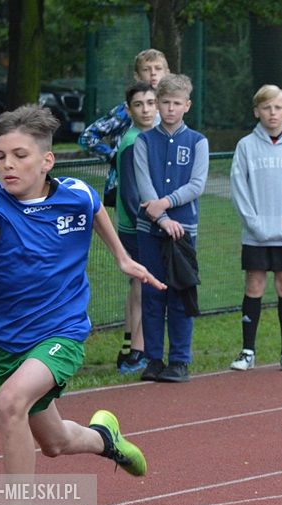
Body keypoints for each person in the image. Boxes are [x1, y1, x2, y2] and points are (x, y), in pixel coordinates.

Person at [0, 105, 166, 505]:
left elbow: (93, 209)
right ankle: (105, 438)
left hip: (63, 331)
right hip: (9, 341)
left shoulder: (75, 193)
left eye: (20, 155)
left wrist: (123, 259)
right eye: (0, 156)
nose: (8, 165)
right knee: (54, 443)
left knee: (9, 402)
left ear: (46, 160)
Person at [78, 48, 169, 367]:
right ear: (137, 77)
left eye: (159, 69)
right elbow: (87, 137)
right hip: (132, 201)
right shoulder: (129, 119)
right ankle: (136, 350)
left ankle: (136, 345)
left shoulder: (166, 112)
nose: (154, 75)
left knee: (141, 281)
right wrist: (114, 154)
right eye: (147, 70)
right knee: (142, 278)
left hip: (157, 201)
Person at [228, 84, 282, 373]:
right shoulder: (246, 146)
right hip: (256, 236)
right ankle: (247, 352)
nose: (272, 113)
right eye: (266, 107)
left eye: (278, 107)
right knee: (254, 286)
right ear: (257, 111)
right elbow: (239, 189)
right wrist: (255, 225)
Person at [133, 73, 209, 383]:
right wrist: (161, 217)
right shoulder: (143, 141)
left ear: (187, 105)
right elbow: (142, 183)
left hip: (183, 232)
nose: (170, 109)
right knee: (152, 293)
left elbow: (198, 184)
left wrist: (166, 203)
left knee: (180, 293)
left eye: (176, 103)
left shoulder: (197, 142)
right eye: (164, 103)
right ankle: (153, 359)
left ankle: (179, 359)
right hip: (150, 230)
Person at [114, 80, 159, 375]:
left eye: (150, 103)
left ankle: (134, 347)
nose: (146, 109)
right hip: (135, 228)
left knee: (139, 288)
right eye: (139, 104)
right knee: (143, 287)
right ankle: (137, 353)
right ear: (129, 110)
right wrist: (147, 222)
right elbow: (131, 195)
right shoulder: (133, 142)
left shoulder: (149, 137)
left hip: (143, 224)